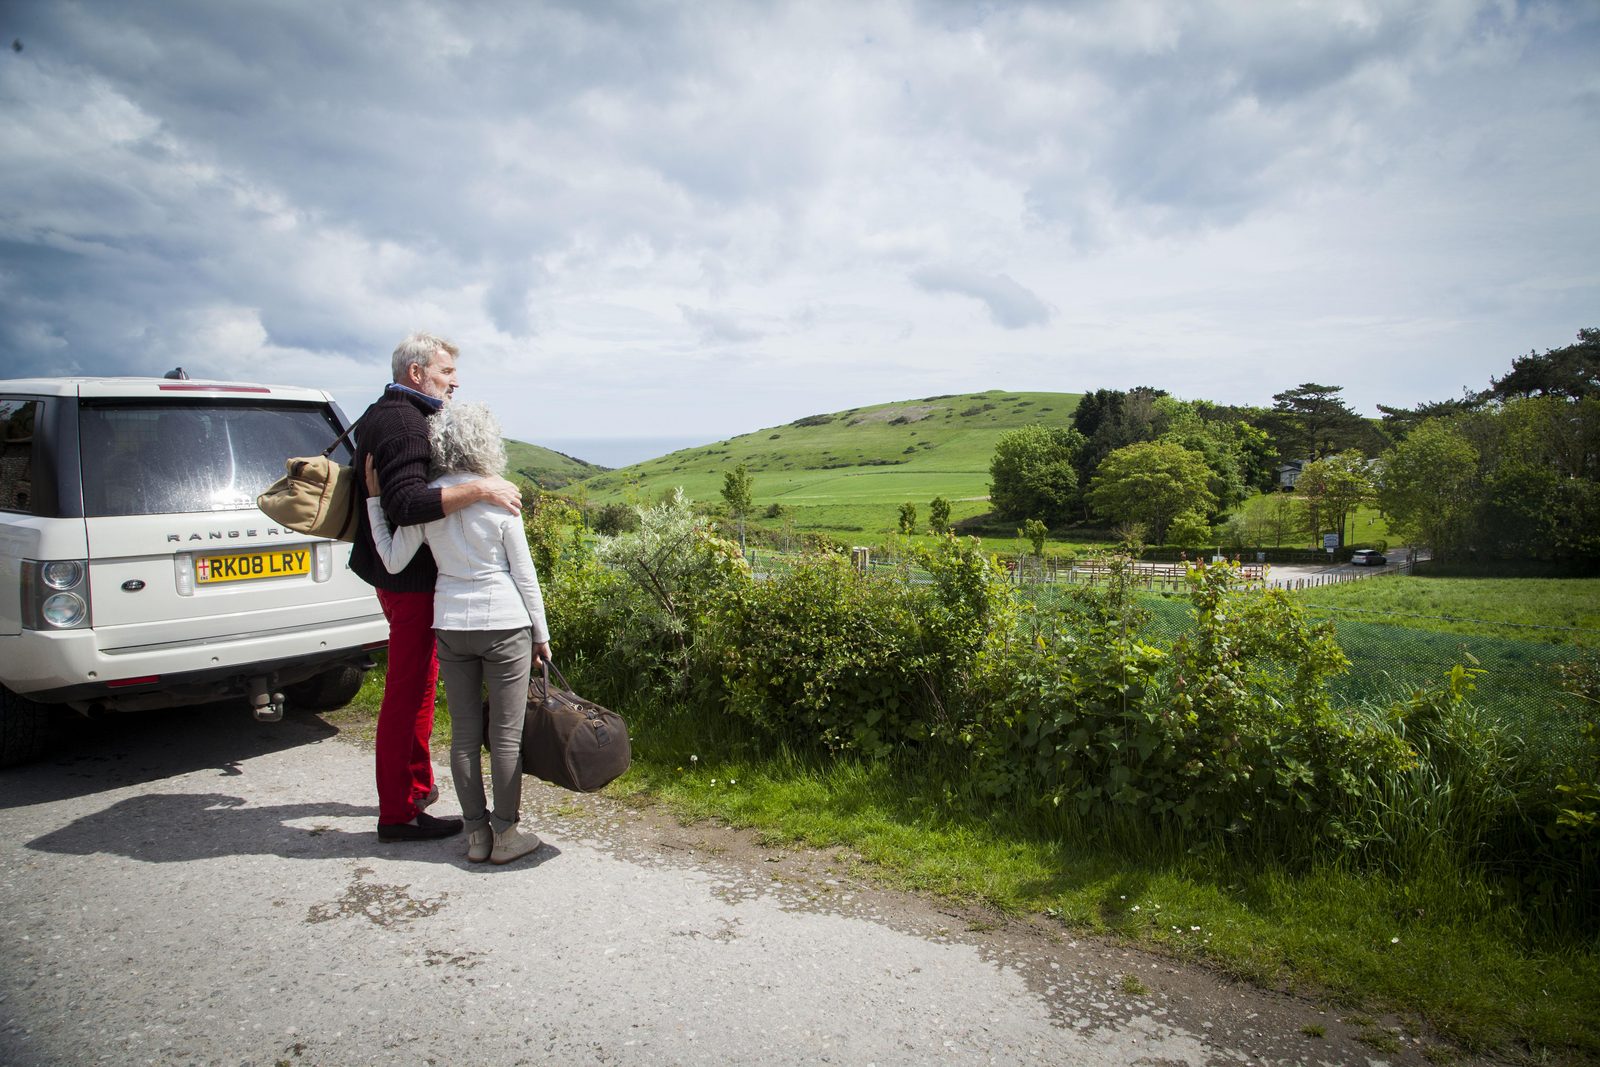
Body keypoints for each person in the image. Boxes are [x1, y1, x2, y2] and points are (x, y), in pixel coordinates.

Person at [351, 333, 523, 843]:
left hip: (395, 576)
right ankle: (398, 812)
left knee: (418, 686)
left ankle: (415, 790)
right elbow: (405, 505)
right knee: (409, 692)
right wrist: (482, 487)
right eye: (446, 371)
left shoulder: (382, 411)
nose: (454, 380)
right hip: (409, 583)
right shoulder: (406, 424)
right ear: (416, 373)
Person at [363, 401, 551, 865]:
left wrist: (373, 500)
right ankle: (507, 836)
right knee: (505, 737)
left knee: (465, 737)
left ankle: (476, 837)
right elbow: (525, 577)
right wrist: (541, 636)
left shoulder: (430, 503)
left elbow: (390, 559)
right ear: (486, 443)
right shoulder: (500, 498)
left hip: (450, 622)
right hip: (505, 623)